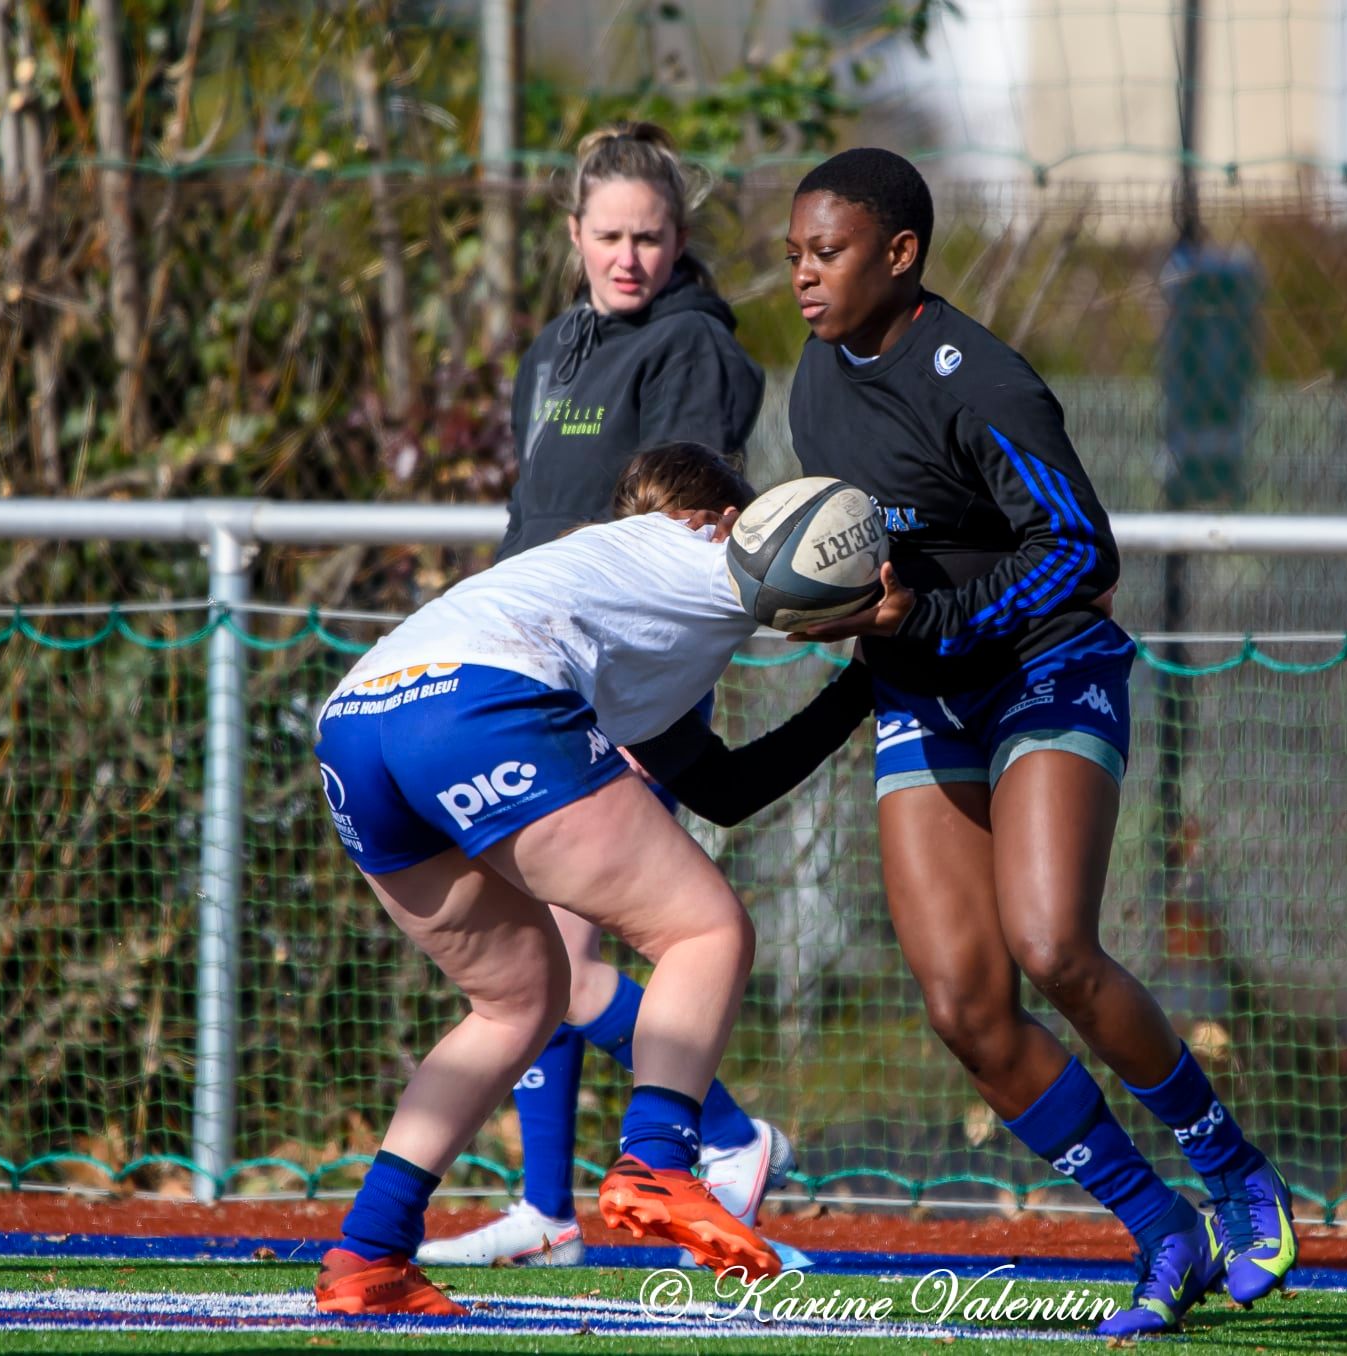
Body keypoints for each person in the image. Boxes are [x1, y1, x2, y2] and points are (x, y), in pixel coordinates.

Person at [781, 149, 1296, 1337]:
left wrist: (941, 616)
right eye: (796, 255)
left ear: (898, 255)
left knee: (1053, 944)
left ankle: (1234, 1176)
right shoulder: (814, 380)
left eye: (828, 252)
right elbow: (865, 556)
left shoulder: (981, 379)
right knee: (964, 1003)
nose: (805, 276)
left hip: (1042, 672)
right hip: (925, 693)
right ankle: (1160, 1230)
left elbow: (1079, 550)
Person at [311, 445, 871, 1315]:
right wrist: (897, 614)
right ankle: (657, 1160)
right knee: (706, 932)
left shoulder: (615, 606)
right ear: (723, 519)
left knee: (518, 1003)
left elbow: (721, 788)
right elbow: (797, 561)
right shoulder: (706, 549)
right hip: (478, 701)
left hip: (354, 724)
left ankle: (369, 1253)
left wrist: (855, 694)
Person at [422, 122, 785, 1270]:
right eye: (611, 236)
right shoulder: (555, 352)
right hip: (531, 680)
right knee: (537, 953)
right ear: (573, 235)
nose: (631, 257)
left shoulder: (695, 353)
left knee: (568, 965)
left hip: (618, 685)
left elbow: (686, 528)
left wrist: (641, 708)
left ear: (681, 241)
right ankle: (547, 1210)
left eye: (654, 236)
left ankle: (725, 1138)